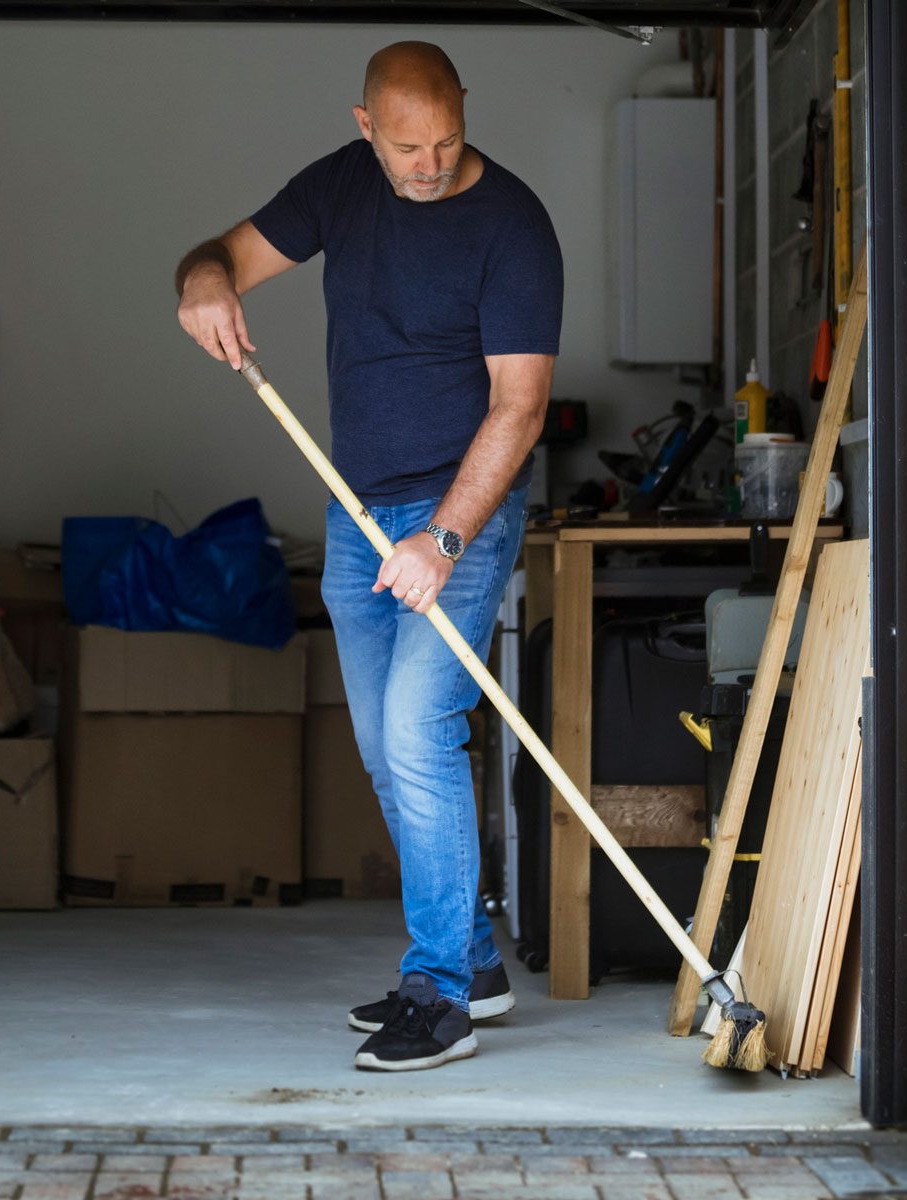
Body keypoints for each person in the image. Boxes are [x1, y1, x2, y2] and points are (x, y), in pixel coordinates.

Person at [175, 40, 563, 1072]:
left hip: (457, 518)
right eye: (405, 146)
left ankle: (435, 992)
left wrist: (443, 538)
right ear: (364, 126)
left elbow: (520, 408)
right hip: (357, 514)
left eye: (444, 141)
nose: (428, 164)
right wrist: (205, 286)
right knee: (385, 751)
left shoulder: (513, 225)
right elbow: (219, 254)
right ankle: (473, 964)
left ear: (464, 113)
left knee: (417, 729)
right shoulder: (342, 187)